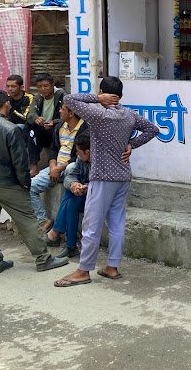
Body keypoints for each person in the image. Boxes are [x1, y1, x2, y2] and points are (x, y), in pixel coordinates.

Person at [54, 76, 160, 287]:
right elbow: (153, 130)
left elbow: (69, 99)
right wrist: (131, 144)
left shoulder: (99, 114)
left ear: (104, 92)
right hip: (123, 176)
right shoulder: (128, 114)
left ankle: (84, 270)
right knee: (117, 223)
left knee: (91, 225)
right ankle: (112, 266)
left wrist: (96, 98)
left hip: (103, 177)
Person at [0, 90, 69, 276]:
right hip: (7, 183)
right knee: (28, 221)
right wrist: (25, 183)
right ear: (6, 104)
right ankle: (43, 259)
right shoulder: (10, 129)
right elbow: (20, 162)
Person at [29, 101, 86, 233]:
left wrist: (59, 169)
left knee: (71, 171)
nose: (59, 111)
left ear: (71, 113)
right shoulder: (60, 126)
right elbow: (53, 149)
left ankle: (60, 233)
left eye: (62, 109)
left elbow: (78, 156)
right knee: (30, 186)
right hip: (56, 168)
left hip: (72, 168)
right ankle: (43, 220)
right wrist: (53, 166)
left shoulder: (84, 129)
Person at [47, 131, 91, 259]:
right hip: (83, 194)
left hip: (98, 196)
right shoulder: (80, 159)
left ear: (87, 152)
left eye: (78, 151)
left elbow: (102, 184)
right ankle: (70, 245)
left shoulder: (100, 162)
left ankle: (58, 232)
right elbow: (70, 176)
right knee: (71, 195)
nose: (76, 154)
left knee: (71, 199)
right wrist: (74, 185)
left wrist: (88, 187)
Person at [26, 73, 65, 175]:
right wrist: (36, 119)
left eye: (45, 86)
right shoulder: (38, 98)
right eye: (39, 87)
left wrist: (54, 122)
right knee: (31, 132)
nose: (43, 89)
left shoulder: (62, 96)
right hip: (42, 127)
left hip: (56, 127)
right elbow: (30, 113)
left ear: (52, 85)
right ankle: (34, 166)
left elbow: (66, 116)